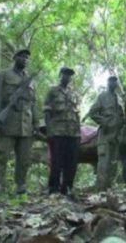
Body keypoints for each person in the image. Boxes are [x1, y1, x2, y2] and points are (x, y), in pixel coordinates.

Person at [0, 49, 38, 194]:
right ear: (15, 58)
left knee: (24, 159)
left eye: (27, 58)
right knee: (2, 155)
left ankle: (21, 186)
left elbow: (33, 104)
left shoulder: (31, 81)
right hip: (7, 122)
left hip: (26, 125)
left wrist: (36, 124)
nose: (25, 59)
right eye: (22, 57)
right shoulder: (3, 75)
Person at [44, 67, 80, 195]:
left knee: (71, 162)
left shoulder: (74, 93)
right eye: (66, 74)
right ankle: (54, 188)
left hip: (73, 133)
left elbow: (77, 113)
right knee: (56, 161)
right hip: (58, 132)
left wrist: (79, 132)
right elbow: (47, 111)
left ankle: (67, 187)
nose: (68, 77)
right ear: (61, 75)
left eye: (70, 75)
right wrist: (49, 130)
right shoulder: (52, 91)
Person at [87, 76, 124, 190]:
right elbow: (92, 112)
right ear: (108, 83)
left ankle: (110, 189)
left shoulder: (119, 98)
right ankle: (100, 189)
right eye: (111, 81)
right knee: (103, 163)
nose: (113, 83)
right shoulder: (102, 97)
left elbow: (122, 115)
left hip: (116, 136)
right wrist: (104, 122)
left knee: (113, 163)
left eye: (115, 81)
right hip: (105, 135)